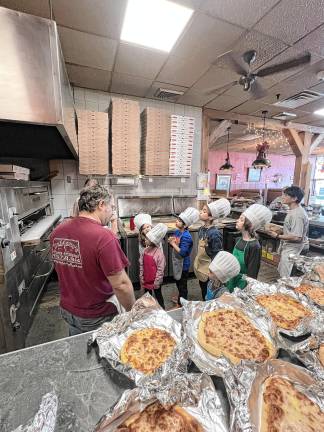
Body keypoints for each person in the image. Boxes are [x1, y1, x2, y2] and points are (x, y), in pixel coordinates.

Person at [50, 185, 135, 336]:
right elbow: (121, 285)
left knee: (80, 352)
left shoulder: (57, 232)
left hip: (67, 310)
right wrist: (132, 312)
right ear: (101, 205)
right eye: (112, 207)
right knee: (101, 355)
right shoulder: (103, 237)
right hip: (97, 316)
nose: (112, 213)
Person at [226, 204, 272, 291]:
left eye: (241, 219)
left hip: (243, 284)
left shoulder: (254, 246)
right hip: (232, 278)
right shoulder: (238, 239)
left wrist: (247, 288)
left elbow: (252, 274)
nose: (237, 220)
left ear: (250, 225)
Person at [267, 186, 309, 278]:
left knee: (285, 275)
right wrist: (281, 229)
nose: (283, 197)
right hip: (288, 246)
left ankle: (285, 291)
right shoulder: (293, 210)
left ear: (294, 198)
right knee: (282, 270)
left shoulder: (297, 215)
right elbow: (292, 229)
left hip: (293, 248)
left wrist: (277, 236)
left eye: (286, 195)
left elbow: (297, 236)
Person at [194, 198, 231, 300]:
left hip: (209, 269)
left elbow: (217, 255)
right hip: (201, 266)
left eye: (204, 211)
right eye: (202, 210)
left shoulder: (214, 233)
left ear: (210, 217)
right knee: (203, 289)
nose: (201, 212)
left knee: (209, 293)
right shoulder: (201, 229)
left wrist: (214, 272)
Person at [168, 207, 200, 305]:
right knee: (178, 282)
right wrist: (171, 242)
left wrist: (173, 244)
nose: (176, 221)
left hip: (183, 265)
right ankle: (179, 298)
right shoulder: (177, 232)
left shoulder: (187, 236)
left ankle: (182, 304)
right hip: (177, 262)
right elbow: (174, 243)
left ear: (185, 225)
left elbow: (183, 253)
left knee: (182, 286)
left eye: (179, 221)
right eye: (177, 219)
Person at [140, 223, 167, 309]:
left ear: (153, 241)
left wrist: (157, 282)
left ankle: (162, 310)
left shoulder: (159, 254)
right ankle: (149, 310)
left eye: (147, 239)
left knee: (158, 296)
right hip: (146, 280)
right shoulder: (145, 251)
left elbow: (160, 270)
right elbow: (141, 264)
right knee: (148, 297)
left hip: (155, 282)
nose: (145, 240)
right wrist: (141, 276)